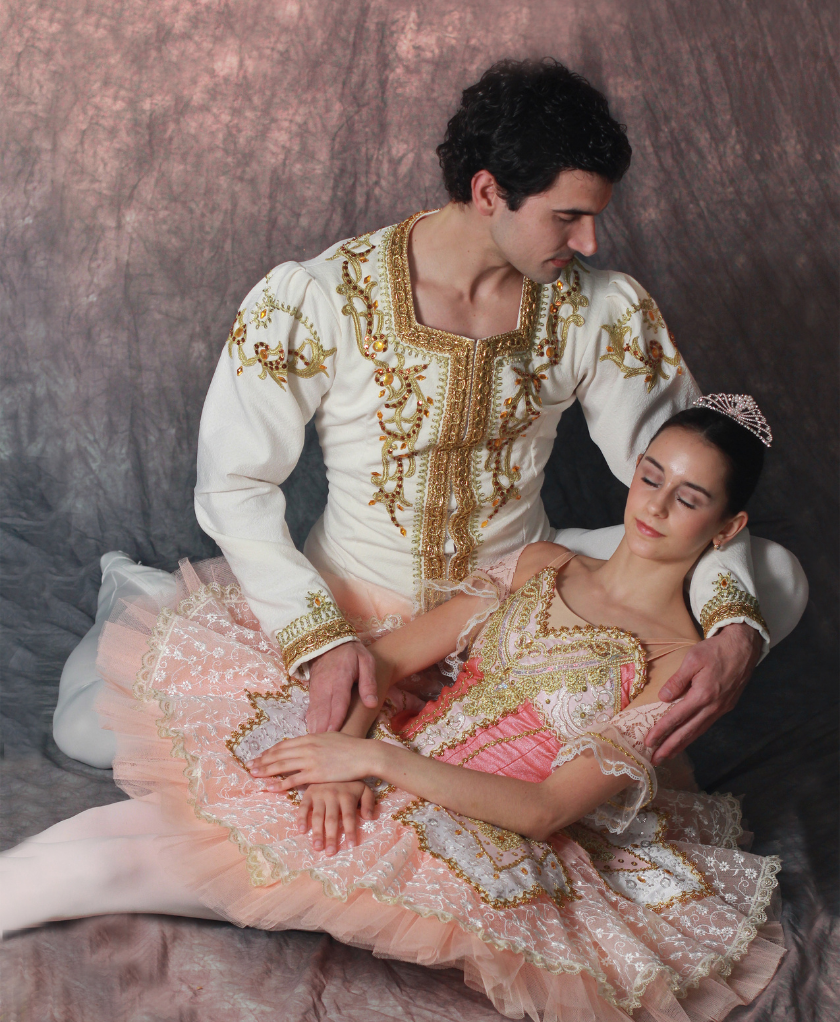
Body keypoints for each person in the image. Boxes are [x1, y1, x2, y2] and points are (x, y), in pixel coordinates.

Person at [52, 58, 807, 776]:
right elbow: (233, 483)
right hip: (358, 609)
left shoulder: (602, 308)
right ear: (488, 192)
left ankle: (542, 721)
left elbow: (689, 470)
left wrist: (735, 631)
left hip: (525, 606)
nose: (589, 243)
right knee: (88, 731)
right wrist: (323, 640)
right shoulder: (319, 298)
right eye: (568, 217)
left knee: (770, 578)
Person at [2, 397, 785, 1022]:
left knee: (124, 868)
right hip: (393, 750)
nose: (652, 505)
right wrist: (354, 752)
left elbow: (548, 808)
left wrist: (371, 762)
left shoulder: (679, 666)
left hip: (488, 832)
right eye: (652, 475)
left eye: (687, 498)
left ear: (725, 527)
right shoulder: (542, 565)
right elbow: (382, 656)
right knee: (125, 826)